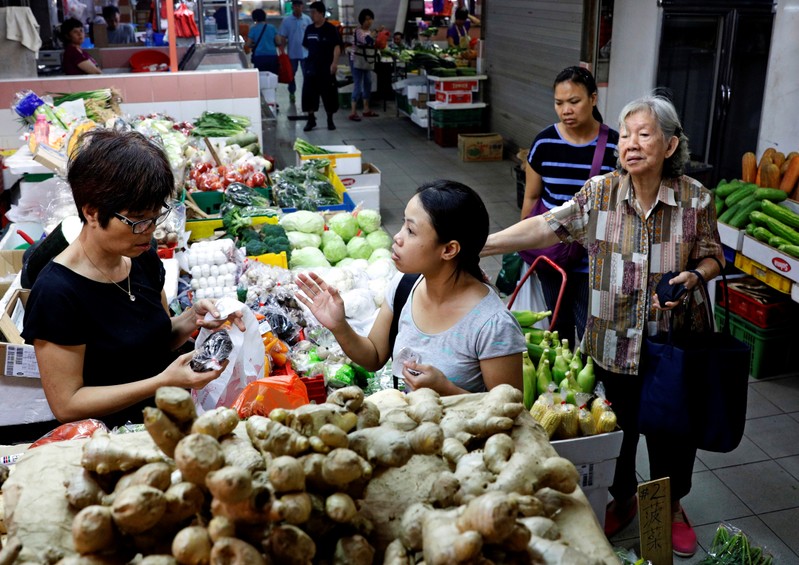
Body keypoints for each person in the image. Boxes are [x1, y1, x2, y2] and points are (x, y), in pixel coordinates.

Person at [482, 94, 724, 558]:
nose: (630, 143)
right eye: (626, 133)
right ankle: (625, 498)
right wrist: (482, 244)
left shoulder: (695, 198)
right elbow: (544, 227)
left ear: (670, 146)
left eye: (645, 134)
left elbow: (714, 254)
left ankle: (669, 508)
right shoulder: (599, 192)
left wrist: (697, 275)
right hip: (612, 342)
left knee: (672, 433)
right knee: (618, 429)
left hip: (672, 346)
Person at [21, 130, 244, 429]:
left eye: (156, 217)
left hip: (167, 422)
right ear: (91, 212)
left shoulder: (142, 258)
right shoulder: (57, 293)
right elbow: (67, 404)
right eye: (137, 220)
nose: (149, 230)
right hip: (109, 442)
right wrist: (160, 382)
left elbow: (155, 339)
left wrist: (193, 318)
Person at [296, 180, 526, 395]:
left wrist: (444, 389)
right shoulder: (405, 285)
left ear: (448, 250)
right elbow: (373, 356)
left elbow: (510, 409)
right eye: (403, 225)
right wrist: (339, 326)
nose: (397, 237)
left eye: (411, 231)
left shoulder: (492, 324)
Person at [519, 66, 619, 341]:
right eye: (559, 103)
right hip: (551, 254)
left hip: (595, 258)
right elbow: (531, 197)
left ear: (593, 99)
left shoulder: (614, 147)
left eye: (574, 102)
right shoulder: (544, 143)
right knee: (556, 328)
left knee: (591, 331)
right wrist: (525, 245)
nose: (566, 110)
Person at [301, 1, 342, 132]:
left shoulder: (330, 29)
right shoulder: (309, 29)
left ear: (321, 14)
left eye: (314, 12)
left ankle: (330, 119)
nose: (311, 15)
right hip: (311, 67)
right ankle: (311, 119)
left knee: (329, 94)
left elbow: (337, 47)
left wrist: (334, 63)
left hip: (326, 67)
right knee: (309, 94)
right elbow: (306, 45)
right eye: (311, 12)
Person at [278, 0, 312, 104]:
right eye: (295, 6)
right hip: (292, 53)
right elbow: (283, 36)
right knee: (291, 75)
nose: (297, 8)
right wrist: (282, 50)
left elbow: (311, 35)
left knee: (307, 75)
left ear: (302, 7)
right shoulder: (287, 21)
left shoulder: (307, 19)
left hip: (306, 54)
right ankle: (292, 92)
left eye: (299, 6)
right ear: (292, 7)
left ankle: (307, 94)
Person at [348, 9, 378, 122]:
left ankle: (366, 109)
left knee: (368, 82)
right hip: (356, 61)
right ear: (362, 20)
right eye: (366, 19)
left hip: (366, 61)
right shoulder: (358, 31)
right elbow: (367, 41)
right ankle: (353, 111)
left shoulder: (369, 31)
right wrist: (376, 31)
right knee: (358, 84)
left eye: (370, 19)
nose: (369, 21)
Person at [247, 8, 279, 75]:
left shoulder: (253, 28)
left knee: (261, 77)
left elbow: (248, 44)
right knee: (272, 77)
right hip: (272, 56)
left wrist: (254, 45)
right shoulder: (272, 27)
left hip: (259, 57)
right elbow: (278, 42)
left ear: (254, 18)